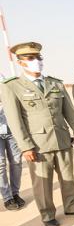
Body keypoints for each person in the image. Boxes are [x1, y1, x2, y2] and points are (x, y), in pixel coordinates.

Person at [1, 42, 74, 226]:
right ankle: (48, 214)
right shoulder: (12, 86)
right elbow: (15, 121)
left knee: (68, 177)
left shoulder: (54, 83)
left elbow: (69, 112)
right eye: (31, 58)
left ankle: (71, 206)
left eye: (38, 57)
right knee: (43, 182)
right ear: (21, 62)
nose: (37, 61)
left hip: (62, 138)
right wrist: (26, 147)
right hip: (38, 144)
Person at [0, 74, 24, 211]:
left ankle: (15, 193)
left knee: (16, 162)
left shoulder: (3, 78)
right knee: (1, 165)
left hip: (11, 129)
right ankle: (7, 198)